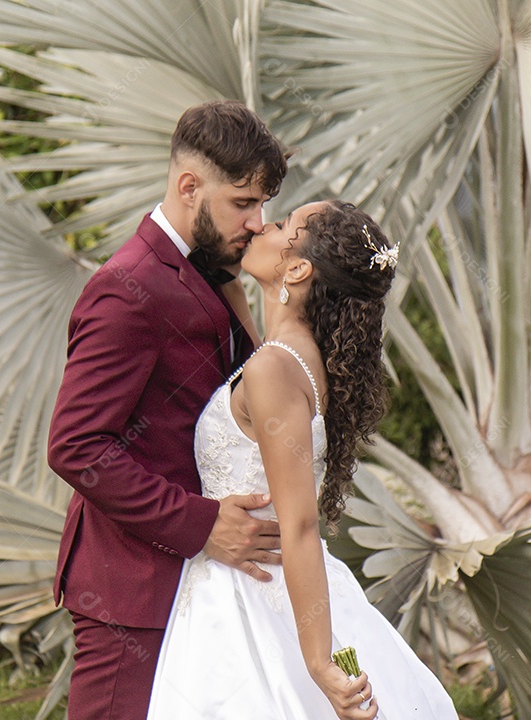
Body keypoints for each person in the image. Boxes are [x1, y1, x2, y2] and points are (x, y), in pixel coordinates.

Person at [146, 201, 459, 719]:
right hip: (253, 583)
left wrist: (318, 664)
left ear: (297, 269)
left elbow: (300, 523)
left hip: (248, 598)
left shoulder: (274, 367)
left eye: (283, 222)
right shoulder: (293, 357)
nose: (263, 223)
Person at [47, 100, 291, 720]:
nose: (258, 223)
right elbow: (76, 445)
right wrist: (202, 524)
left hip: (213, 592)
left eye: (263, 206)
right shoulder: (126, 288)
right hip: (131, 590)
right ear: (189, 187)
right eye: (243, 203)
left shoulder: (213, 272)